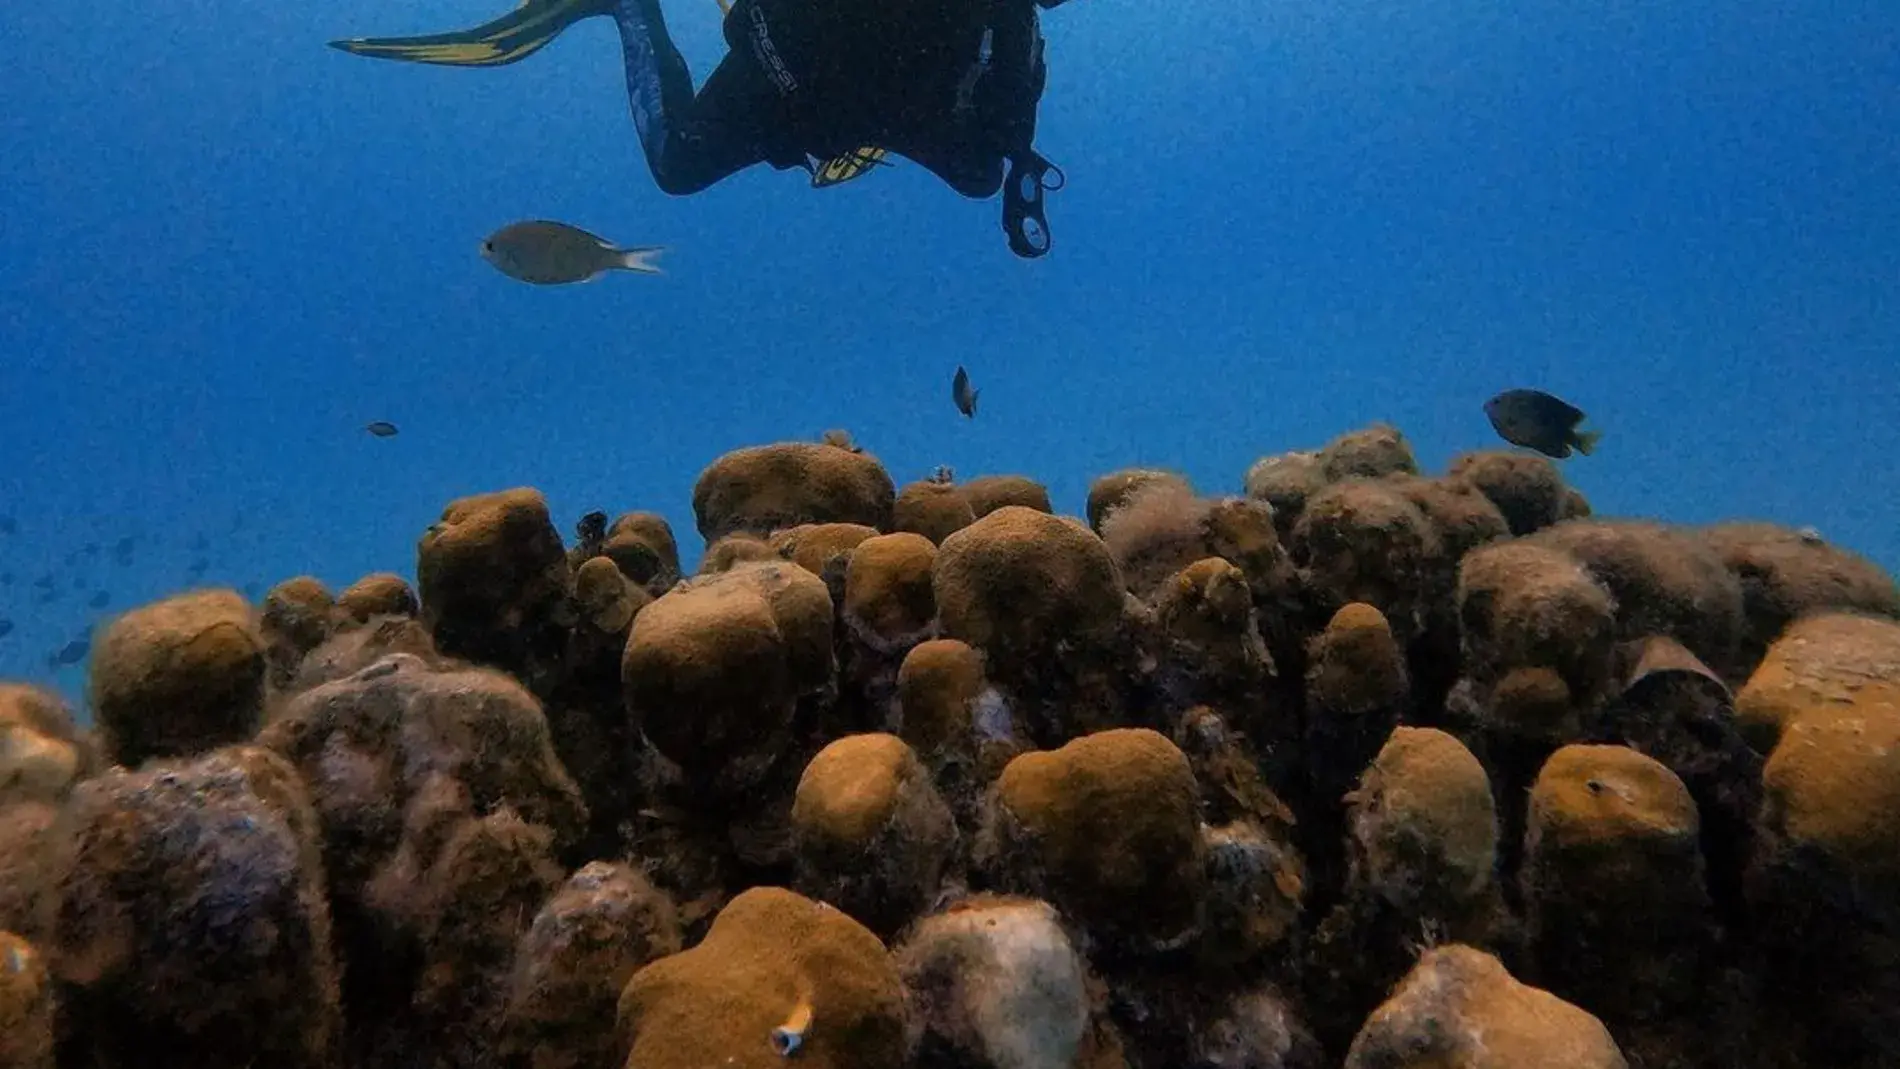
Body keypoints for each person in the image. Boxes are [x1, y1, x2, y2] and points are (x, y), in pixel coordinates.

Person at [331, 0, 1074, 257]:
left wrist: (1013, 138)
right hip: (810, 66)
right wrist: (793, 98)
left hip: (906, 84)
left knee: (982, 177)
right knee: (679, 162)